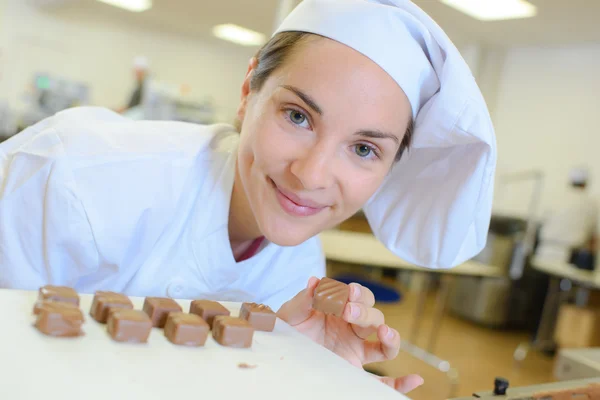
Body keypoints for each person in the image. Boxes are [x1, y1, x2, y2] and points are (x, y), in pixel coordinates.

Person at [0, 0, 496, 394]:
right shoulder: (74, 176)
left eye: (364, 148)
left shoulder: (297, 271)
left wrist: (286, 372)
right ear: (247, 91)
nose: (311, 175)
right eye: (298, 116)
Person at [538, 167, 598, 267]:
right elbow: (593, 239)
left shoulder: (556, 197)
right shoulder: (590, 203)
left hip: (542, 252)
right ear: (585, 183)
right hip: (570, 257)